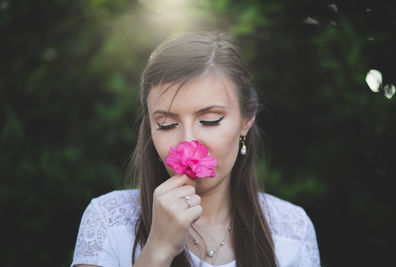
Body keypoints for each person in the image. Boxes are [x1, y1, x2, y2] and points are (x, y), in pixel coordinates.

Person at [71, 31, 321, 267]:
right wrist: (157, 250)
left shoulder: (293, 231)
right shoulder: (108, 221)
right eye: (166, 124)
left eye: (210, 120)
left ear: (246, 121)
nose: (188, 142)